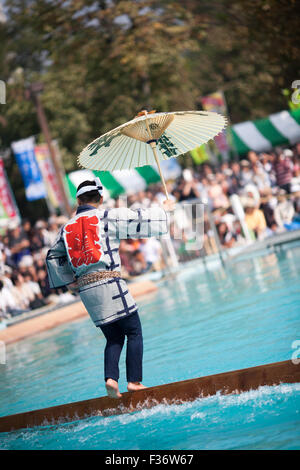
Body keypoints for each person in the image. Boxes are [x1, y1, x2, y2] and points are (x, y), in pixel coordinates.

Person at [46, 178, 175, 398]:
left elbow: (52, 256)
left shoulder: (66, 228)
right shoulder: (105, 216)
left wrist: (70, 281)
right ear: (101, 198)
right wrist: (165, 210)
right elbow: (140, 220)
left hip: (87, 291)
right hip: (109, 283)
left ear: (78, 200)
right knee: (134, 330)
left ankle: (111, 379)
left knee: (113, 337)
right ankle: (134, 381)